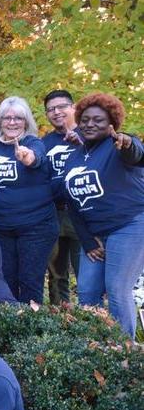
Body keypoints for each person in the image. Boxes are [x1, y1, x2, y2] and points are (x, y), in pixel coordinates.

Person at [63, 93, 144, 337]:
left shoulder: (118, 145)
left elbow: (136, 153)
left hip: (128, 226)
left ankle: (125, 352)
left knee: (117, 289)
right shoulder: (75, 156)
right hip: (95, 235)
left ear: (112, 123)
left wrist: (127, 143)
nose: (89, 124)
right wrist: (87, 240)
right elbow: (72, 204)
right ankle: (95, 349)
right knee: (87, 292)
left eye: (98, 120)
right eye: (85, 119)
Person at [0, 97, 57, 304]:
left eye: (18, 118)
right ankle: (11, 329)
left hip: (35, 228)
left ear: (26, 122)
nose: (12, 122)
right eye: (7, 118)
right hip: (2, 229)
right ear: (0, 122)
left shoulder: (33, 143)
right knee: (5, 281)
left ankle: (31, 333)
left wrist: (28, 157)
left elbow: (37, 158)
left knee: (30, 283)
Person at [42, 89, 81, 305]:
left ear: (73, 107)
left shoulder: (90, 136)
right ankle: (61, 320)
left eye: (62, 107)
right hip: (53, 214)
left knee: (86, 274)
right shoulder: (44, 143)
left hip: (81, 215)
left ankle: (91, 322)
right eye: (50, 109)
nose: (56, 112)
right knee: (57, 274)